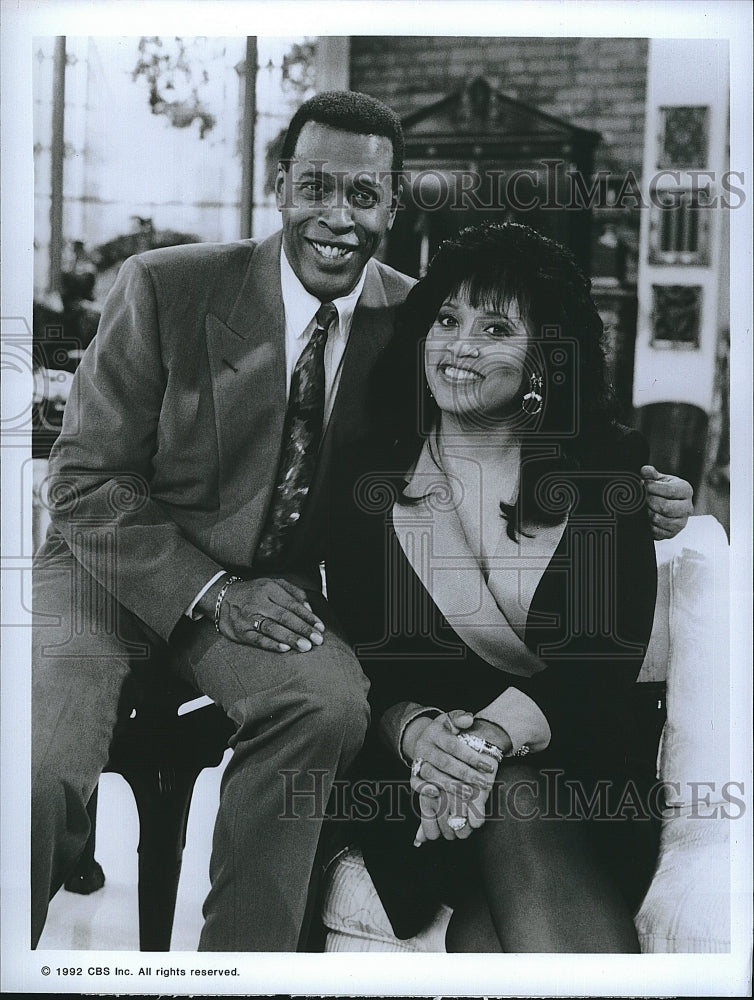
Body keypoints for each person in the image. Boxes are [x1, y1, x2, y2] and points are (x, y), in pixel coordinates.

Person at [31, 90, 692, 952]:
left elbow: (523, 444)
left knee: (327, 703)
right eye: (315, 186)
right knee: (39, 768)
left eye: (364, 194)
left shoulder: (410, 316)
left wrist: (627, 491)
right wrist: (214, 592)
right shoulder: (163, 286)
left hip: (275, 597)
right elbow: (86, 484)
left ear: (394, 201)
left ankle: (244, 967)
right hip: (111, 569)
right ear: (280, 186)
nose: (336, 217)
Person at [329, 221, 664, 952]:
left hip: (585, 773)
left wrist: (487, 739)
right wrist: (419, 734)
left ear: (543, 359)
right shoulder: (367, 479)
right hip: (424, 780)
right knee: (506, 860)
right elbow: (359, 659)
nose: (459, 347)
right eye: (446, 320)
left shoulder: (607, 468)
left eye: (495, 327)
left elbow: (605, 664)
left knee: (501, 886)